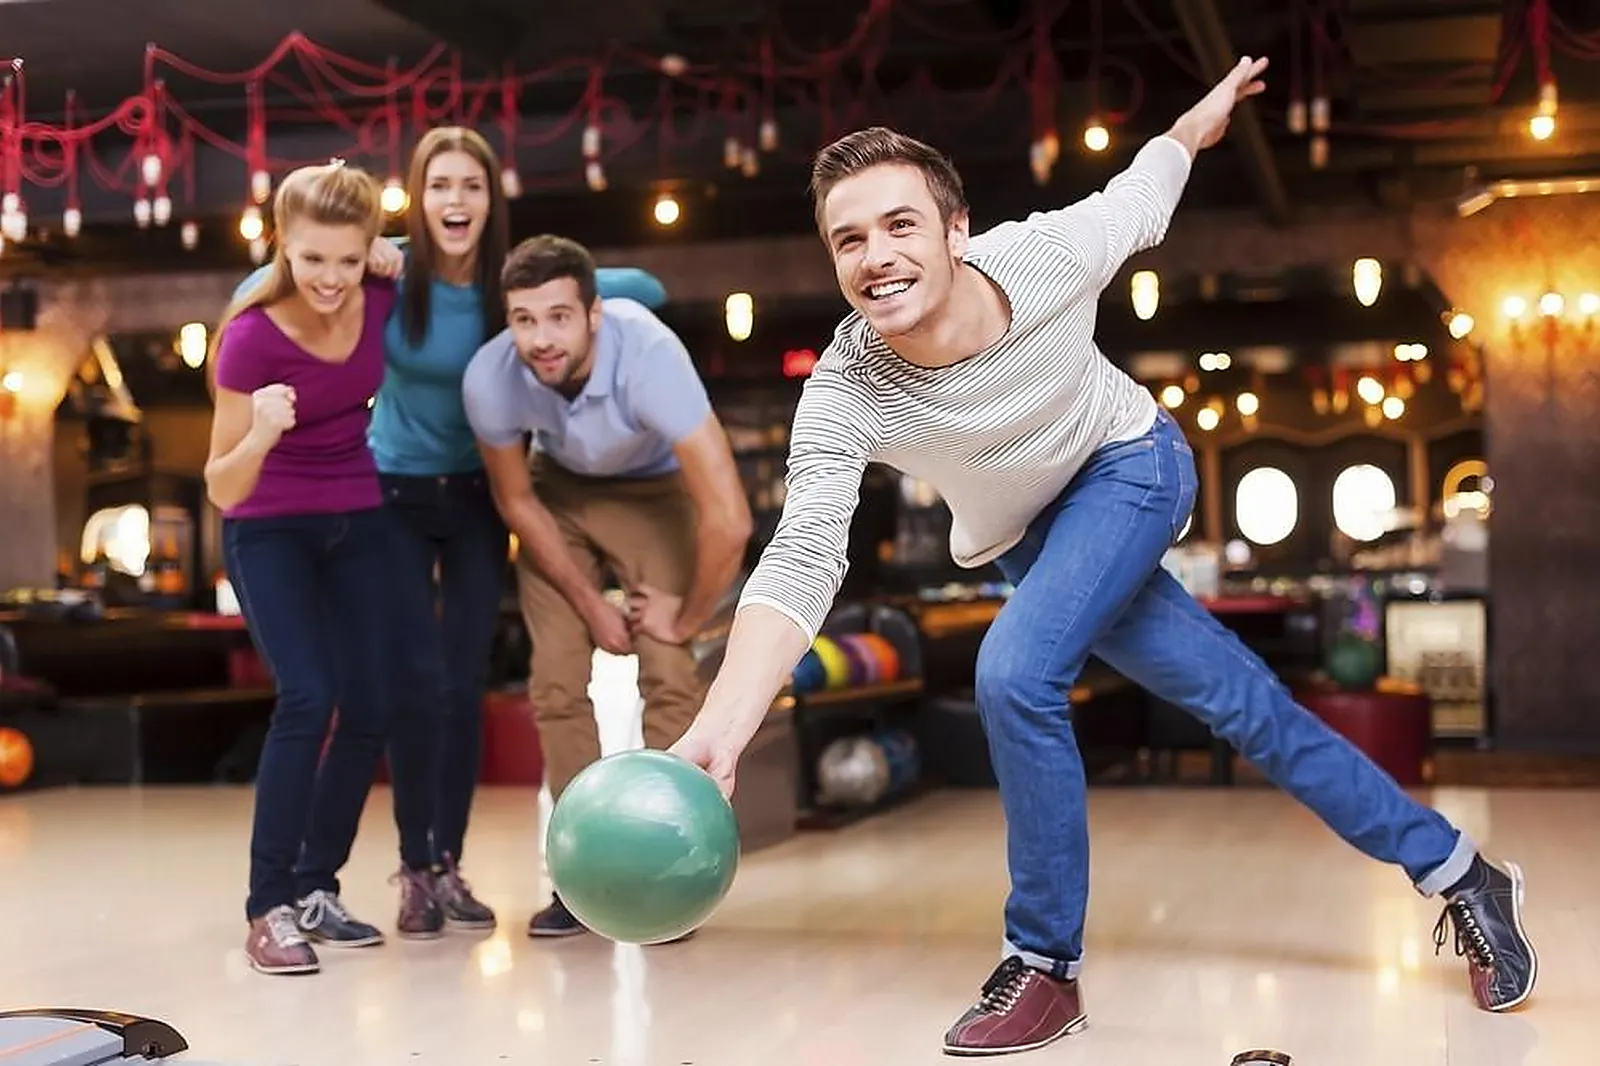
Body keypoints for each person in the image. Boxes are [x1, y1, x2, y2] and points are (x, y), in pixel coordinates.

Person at [668, 55, 1537, 1055]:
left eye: (900, 225)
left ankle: (1044, 965)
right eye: (848, 239)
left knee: (1013, 671)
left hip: (1130, 469)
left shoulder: (1048, 255)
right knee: (1244, 706)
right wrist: (723, 726)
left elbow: (1143, 189)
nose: (876, 256)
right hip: (1031, 539)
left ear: (956, 232)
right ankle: (1463, 871)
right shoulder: (844, 387)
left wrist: (1197, 123)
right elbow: (801, 556)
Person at [235, 126, 670, 941]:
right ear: (419, 197)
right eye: (440, 185)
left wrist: (580, 288)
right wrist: (366, 258)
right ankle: (412, 870)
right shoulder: (388, 270)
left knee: (462, 685)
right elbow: (265, 279)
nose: (456, 200)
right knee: (415, 682)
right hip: (390, 495)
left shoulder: (511, 285)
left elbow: (647, 285)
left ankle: (445, 865)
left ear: (491, 199)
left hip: (477, 498)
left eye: (472, 185)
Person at [461, 233, 753, 937]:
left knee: (669, 672)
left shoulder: (649, 354)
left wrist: (687, 617)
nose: (540, 338)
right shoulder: (490, 376)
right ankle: (581, 878)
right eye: (524, 319)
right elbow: (517, 502)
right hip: (556, 492)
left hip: (653, 491)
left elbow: (730, 517)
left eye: (559, 316)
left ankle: (673, 871)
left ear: (594, 313)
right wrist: (590, 603)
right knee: (555, 682)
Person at [204, 161, 396, 975]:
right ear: (281, 243)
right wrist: (260, 433)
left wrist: (394, 250)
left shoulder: (380, 293)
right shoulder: (251, 336)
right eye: (313, 257)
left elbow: (445, 261)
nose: (330, 277)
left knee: (371, 704)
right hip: (268, 525)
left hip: (358, 516)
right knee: (309, 695)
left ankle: (317, 886)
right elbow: (220, 483)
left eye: (348, 259)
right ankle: (269, 905)